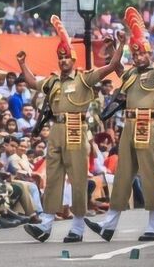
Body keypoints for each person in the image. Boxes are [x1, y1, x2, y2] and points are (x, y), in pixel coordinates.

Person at [85, 7, 154, 242]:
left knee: (149, 173)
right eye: (134, 54)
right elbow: (119, 70)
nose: (137, 57)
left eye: (140, 53)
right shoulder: (131, 74)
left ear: (148, 53)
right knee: (123, 173)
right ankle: (109, 225)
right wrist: (116, 46)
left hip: (146, 123)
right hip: (129, 126)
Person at [18, 15, 125, 243]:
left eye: (66, 58)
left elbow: (112, 66)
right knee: (54, 176)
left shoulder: (84, 78)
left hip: (77, 127)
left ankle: (77, 227)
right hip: (56, 128)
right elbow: (31, 82)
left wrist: (120, 45)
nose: (63, 61)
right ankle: (46, 226)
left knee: (77, 178)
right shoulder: (53, 81)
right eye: (60, 58)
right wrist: (21, 63)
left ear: (73, 59)